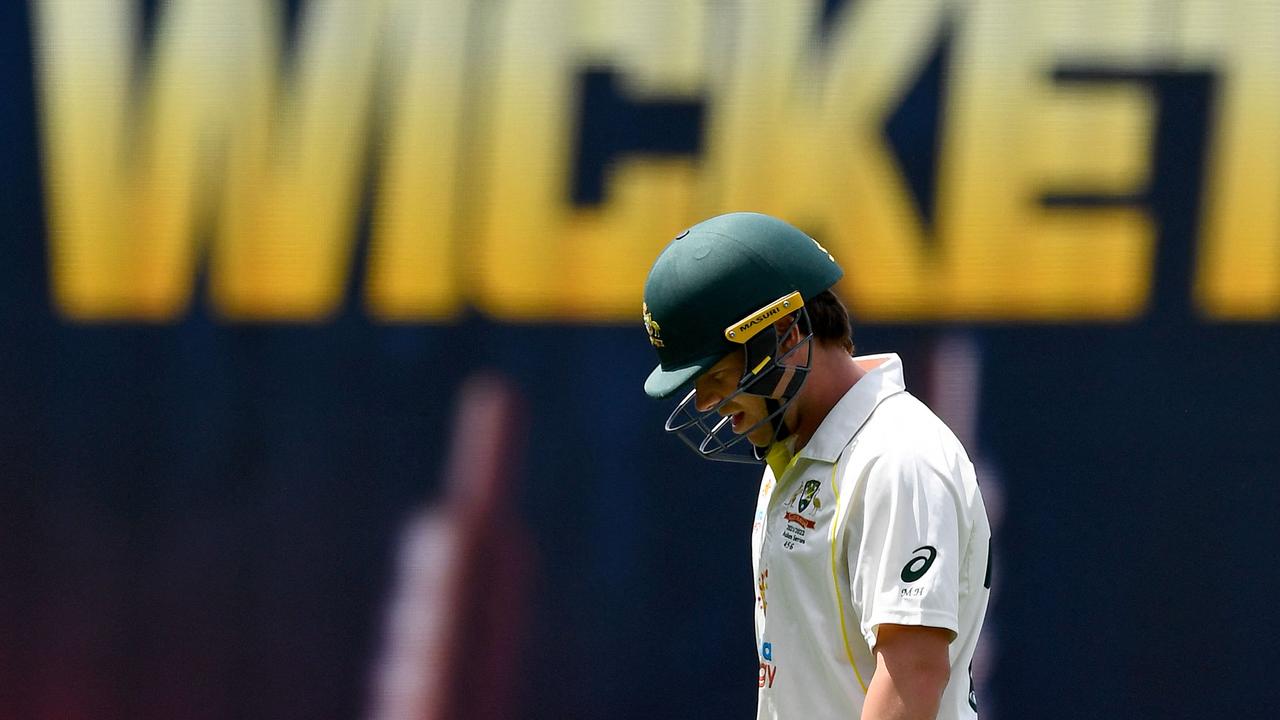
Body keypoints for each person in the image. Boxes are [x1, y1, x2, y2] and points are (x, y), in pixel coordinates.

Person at [642, 212, 992, 720]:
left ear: (785, 336)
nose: (704, 402)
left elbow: (913, 675)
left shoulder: (897, 457)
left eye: (715, 373)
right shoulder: (797, 455)